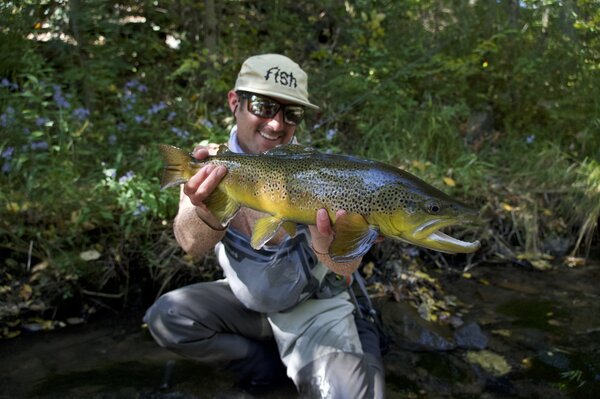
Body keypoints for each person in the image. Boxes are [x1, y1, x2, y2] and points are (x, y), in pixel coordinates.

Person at [145, 54, 386, 398]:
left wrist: (329, 239)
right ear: (235, 102)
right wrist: (206, 210)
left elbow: (343, 267)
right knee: (168, 317)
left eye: (291, 113)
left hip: (312, 307)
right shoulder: (210, 163)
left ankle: (337, 351)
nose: (276, 124)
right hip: (249, 304)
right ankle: (265, 369)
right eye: (262, 105)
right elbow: (190, 243)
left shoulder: (317, 170)